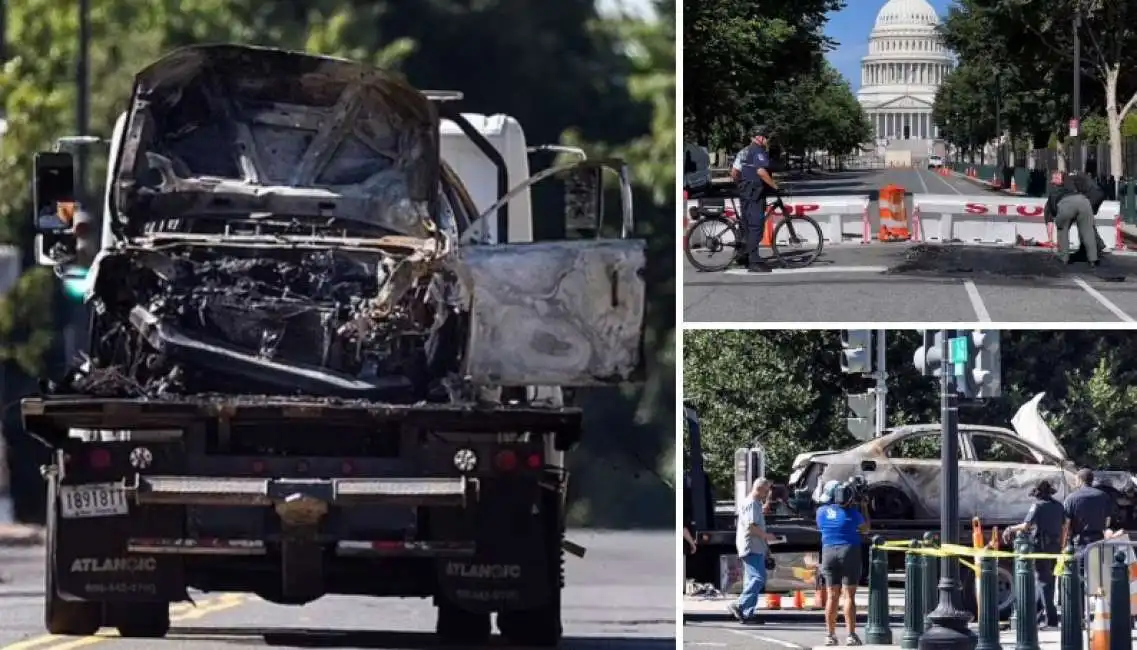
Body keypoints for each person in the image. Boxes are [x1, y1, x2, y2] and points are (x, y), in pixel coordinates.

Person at [1002, 480, 1063, 629]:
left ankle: (1051, 620)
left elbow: (1026, 525)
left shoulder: (1038, 505)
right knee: (1050, 583)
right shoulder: (1059, 506)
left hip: (1041, 548)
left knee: (1043, 583)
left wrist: (1010, 529)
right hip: (1055, 548)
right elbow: (1064, 525)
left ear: (1038, 494)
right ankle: (1047, 616)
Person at [816, 480, 868, 646]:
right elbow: (865, 528)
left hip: (829, 552)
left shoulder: (821, 512)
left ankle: (830, 635)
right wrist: (864, 507)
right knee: (849, 595)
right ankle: (851, 635)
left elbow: (822, 527)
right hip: (849, 551)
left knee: (832, 595)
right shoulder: (853, 514)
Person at [727, 478, 778, 624]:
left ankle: (747, 613)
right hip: (751, 546)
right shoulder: (752, 504)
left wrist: (765, 546)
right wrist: (767, 537)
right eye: (767, 490)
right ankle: (739, 605)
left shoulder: (753, 503)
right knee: (758, 578)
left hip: (754, 546)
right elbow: (751, 527)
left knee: (751, 579)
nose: (768, 494)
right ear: (760, 489)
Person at [730, 127, 778, 273]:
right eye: (766, 137)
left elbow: (734, 173)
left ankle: (742, 255)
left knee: (746, 225)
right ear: (760, 137)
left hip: (745, 192)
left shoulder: (743, 151)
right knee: (756, 226)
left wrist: (742, 184)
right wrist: (775, 186)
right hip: (754, 193)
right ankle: (754, 261)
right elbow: (761, 171)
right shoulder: (758, 151)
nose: (767, 141)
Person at [1044, 171, 1100, 267]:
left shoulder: (1052, 195)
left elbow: (1049, 221)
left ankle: (1064, 258)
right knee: (1088, 231)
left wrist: (1050, 239)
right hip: (1083, 201)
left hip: (1065, 204)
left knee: (1062, 230)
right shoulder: (1073, 185)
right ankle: (1093, 259)